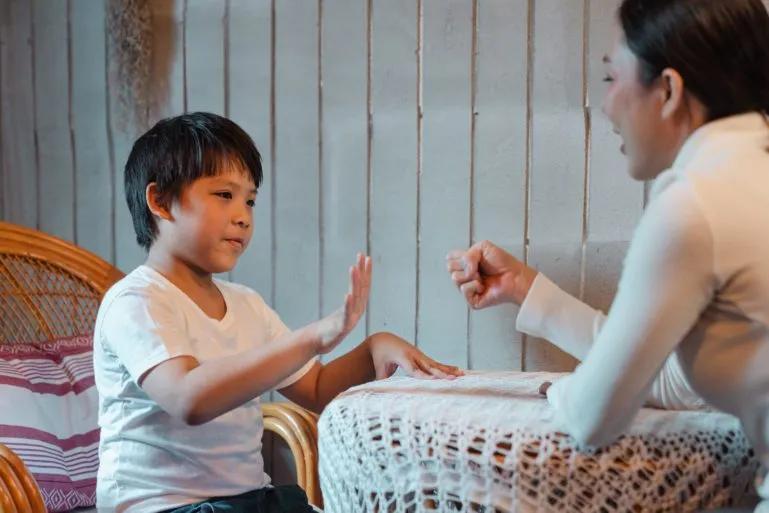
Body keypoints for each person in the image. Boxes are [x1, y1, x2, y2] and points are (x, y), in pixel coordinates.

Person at [447, 0, 769, 510]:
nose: (607, 106)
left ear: (668, 90)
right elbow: (670, 381)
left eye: (611, 78)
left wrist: (551, 395)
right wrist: (530, 292)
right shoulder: (747, 175)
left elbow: (592, 416)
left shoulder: (694, 204)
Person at [93, 112, 462, 513]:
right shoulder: (135, 301)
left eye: (249, 200)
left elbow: (317, 389)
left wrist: (374, 347)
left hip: (250, 501)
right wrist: (313, 336)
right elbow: (188, 398)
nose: (243, 216)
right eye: (224, 195)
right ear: (160, 201)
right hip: (161, 507)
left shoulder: (246, 303)